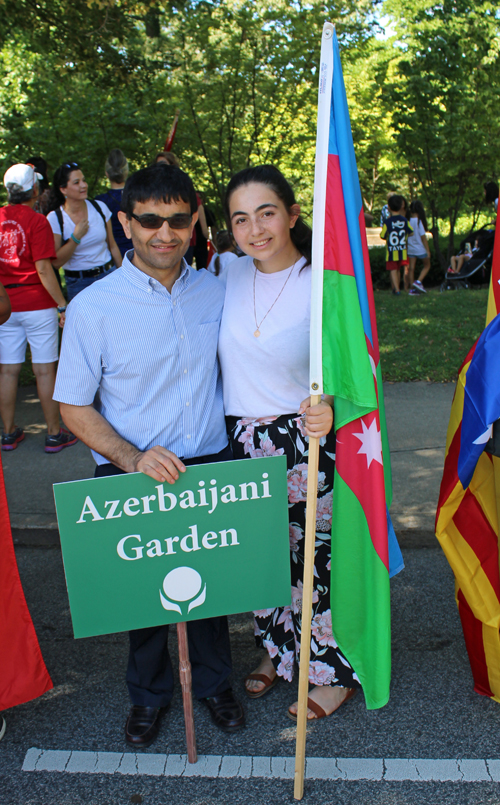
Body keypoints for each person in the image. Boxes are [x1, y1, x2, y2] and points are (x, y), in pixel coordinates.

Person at [53, 163, 245, 747]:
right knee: (144, 603)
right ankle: (149, 694)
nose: (166, 232)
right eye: (151, 221)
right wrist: (133, 457)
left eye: (178, 220)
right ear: (126, 225)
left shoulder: (219, 290)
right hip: (132, 471)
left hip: (209, 467)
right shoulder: (94, 308)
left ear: (194, 223)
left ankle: (214, 685)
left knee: (213, 595)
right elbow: (73, 407)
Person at [218, 165, 361, 721]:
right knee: (262, 560)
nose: (255, 228)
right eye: (241, 218)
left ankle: (330, 670)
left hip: (301, 441)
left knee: (312, 563)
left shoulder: (322, 282)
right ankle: (275, 650)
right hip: (239, 439)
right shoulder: (225, 272)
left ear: (293, 214)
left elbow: (351, 370)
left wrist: (330, 409)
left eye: (267, 212)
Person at [0, 164, 77, 453]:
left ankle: (7, 434)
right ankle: (54, 433)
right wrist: (61, 304)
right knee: (45, 371)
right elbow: (44, 268)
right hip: (37, 303)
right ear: (34, 190)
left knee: (7, 371)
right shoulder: (38, 221)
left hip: (5, 305)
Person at [47, 162, 122, 300]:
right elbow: (56, 263)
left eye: (84, 180)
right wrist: (75, 237)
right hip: (78, 283)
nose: (83, 185)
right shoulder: (55, 218)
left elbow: (113, 246)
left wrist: (124, 275)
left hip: (108, 276)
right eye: (76, 182)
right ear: (63, 189)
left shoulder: (99, 208)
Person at [95, 149, 133, 257]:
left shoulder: (100, 202)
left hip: (112, 255)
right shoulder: (139, 196)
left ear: (107, 173)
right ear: (126, 171)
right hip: (139, 250)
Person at [380, 194, 413, 295]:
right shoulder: (404, 220)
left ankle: (397, 289)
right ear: (401, 206)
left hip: (391, 251)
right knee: (400, 268)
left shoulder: (387, 222)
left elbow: (382, 235)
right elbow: (411, 232)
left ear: (388, 207)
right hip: (402, 249)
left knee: (393, 270)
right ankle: (401, 287)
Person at [407, 200, 431, 294]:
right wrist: (428, 250)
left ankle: (411, 288)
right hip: (420, 248)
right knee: (427, 265)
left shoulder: (408, 221)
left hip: (410, 248)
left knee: (411, 268)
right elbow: (423, 237)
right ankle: (418, 281)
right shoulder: (419, 221)